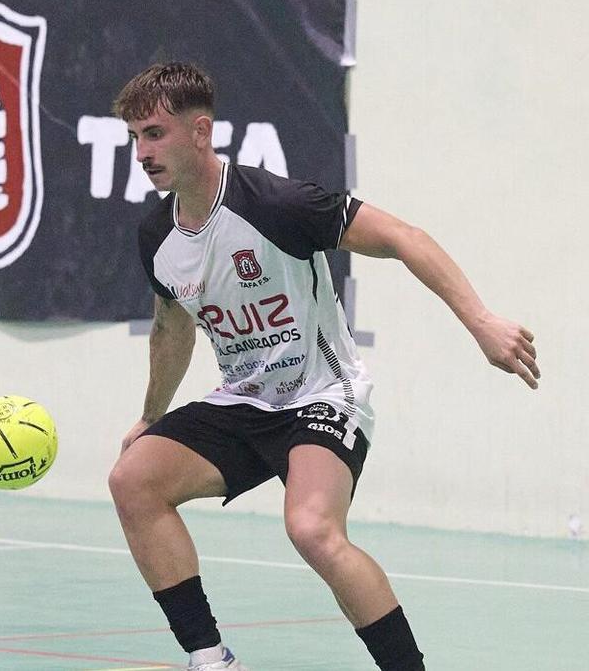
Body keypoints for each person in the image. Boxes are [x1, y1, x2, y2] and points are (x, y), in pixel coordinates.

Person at [107, 62, 539, 671]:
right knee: (133, 480)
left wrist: (482, 322)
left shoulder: (276, 204)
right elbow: (172, 325)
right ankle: (211, 658)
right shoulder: (157, 235)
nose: (142, 152)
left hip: (321, 395)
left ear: (199, 131)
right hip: (245, 398)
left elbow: (405, 237)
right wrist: (151, 416)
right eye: (135, 138)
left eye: (154, 134)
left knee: (312, 530)